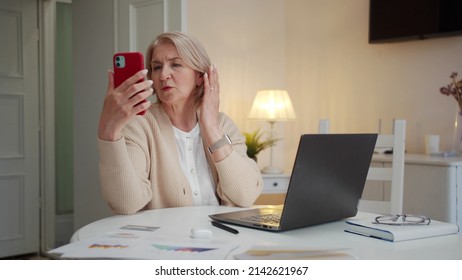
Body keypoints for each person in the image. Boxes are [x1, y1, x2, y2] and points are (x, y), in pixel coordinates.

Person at [97, 31, 263, 215]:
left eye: (175, 64)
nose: (163, 75)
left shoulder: (223, 123)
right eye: (157, 67)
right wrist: (109, 132)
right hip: (164, 241)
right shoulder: (139, 125)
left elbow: (246, 195)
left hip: (222, 240)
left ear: (200, 76)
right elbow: (126, 204)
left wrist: (211, 128)